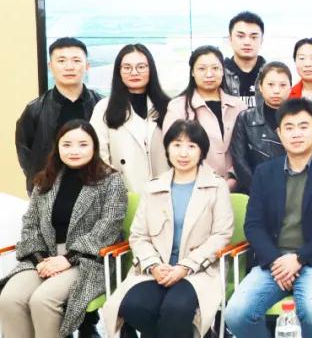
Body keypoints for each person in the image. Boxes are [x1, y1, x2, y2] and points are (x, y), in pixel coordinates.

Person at [223, 98, 312, 338]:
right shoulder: (265, 172)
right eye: (289, 127)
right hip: (273, 263)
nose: (296, 134)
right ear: (279, 133)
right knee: (236, 314)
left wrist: (300, 258)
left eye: (303, 126)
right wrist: (276, 261)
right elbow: (253, 225)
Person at [101, 120, 234, 338]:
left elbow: (221, 235)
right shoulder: (153, 187)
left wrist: (185, 266)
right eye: (177, 145)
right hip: (157, 270)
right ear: (167, 149)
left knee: (175, 309)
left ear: (202, 151)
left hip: (198, 271)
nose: (183, 153)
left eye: (191, 146)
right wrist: (154, 265)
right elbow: (139, 236)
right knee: (133, 306)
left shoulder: (216, 186)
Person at [0, 120, 127, 338]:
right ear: (57, 147)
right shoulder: (46, 180)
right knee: (10, 298)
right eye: (67, 144)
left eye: (82, 144)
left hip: (88, 260)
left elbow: (107, 228)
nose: (74, 151)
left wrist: (68, 259)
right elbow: (30, 224)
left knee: (43, 300)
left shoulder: (111, 181)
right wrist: (40, 260)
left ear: (94, 147)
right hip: (45, 258)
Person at [16, 37, 103, 192]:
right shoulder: (34, 109)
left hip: (94, 189)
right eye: (61, 61)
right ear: (50, 66)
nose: (69, 67)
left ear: (87, 66)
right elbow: (25, 153)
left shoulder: (101, 105)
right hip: (49, 190)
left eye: (76, 60)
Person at [89, 43, 170, 196]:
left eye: (141, 67)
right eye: (127, 67)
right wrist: (115, 188)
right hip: (123, 192)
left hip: (165, 191)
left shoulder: (168, 106)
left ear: (151, 70)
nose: (134, 72)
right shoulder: (104, 108)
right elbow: (99, 154)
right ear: (118, 71)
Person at [164, 46, 247, 190]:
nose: (209, 74)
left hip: (236, 186)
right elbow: (172, 149)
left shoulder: (238, 106)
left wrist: (233, 177)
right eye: (202, 69)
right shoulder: (178, 107)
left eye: (215, 68)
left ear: (223, 71)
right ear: (192, 72)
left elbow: (247, 148)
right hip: (194, 187)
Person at [230, 62, 292, 193]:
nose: (276, 90)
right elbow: (239, 159)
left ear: (290, 87)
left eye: (283, 85)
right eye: (270, 85)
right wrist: (258, 187)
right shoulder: (245, 118)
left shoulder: (299, 117)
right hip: (256, 190)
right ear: (260, 87)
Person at [222, 11, 267, 108]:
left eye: (253, 37)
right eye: (240, 36)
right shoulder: (220, 74)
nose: (247, 42)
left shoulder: (271, 72)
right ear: (230, 39)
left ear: (261, 40)